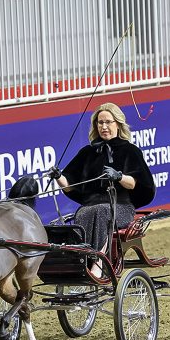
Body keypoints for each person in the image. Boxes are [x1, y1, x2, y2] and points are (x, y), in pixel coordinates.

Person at [48, 102, 155, 279]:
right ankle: (81, 263)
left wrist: (119, 176)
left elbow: (138, 182)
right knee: (83, 213)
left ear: (118, 124)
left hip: (120, 206)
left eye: (108, 122)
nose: (104, 127)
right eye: (100, 123)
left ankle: (98, 263)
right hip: (90, 206)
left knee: (102, 211)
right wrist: (58, 176)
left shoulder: (130, 151)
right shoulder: (87, 153)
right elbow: (69, 184)